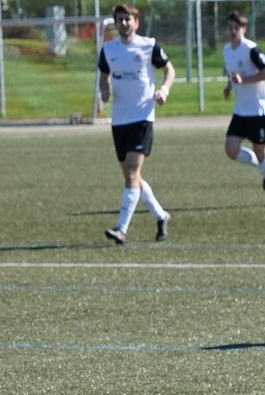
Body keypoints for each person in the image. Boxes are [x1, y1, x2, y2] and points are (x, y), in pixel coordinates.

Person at [98, 3, 174, 245]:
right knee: (133, 177)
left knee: (131, 173)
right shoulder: (108, 49)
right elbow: (103, 77)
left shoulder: (149, 46)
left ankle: (121, 229)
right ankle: (161, 216)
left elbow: (169, 70)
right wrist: (104, 90)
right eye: (119, 19)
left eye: (127, 19)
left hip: (142, 117)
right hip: (119, 120)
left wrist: (164, 90)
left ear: (136, 23)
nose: (123, 23)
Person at [223, 10, 265, 208]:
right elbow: (234, 75)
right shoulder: (227, 51)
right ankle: (264, 169)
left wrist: (245, 80)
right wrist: (229, 86)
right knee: (231, 149)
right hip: (241, 110)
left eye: (236, 28)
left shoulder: (251, 50)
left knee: (261, 152)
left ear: (244, 29)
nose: (233, 31)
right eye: (230, 28)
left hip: (258, 110)